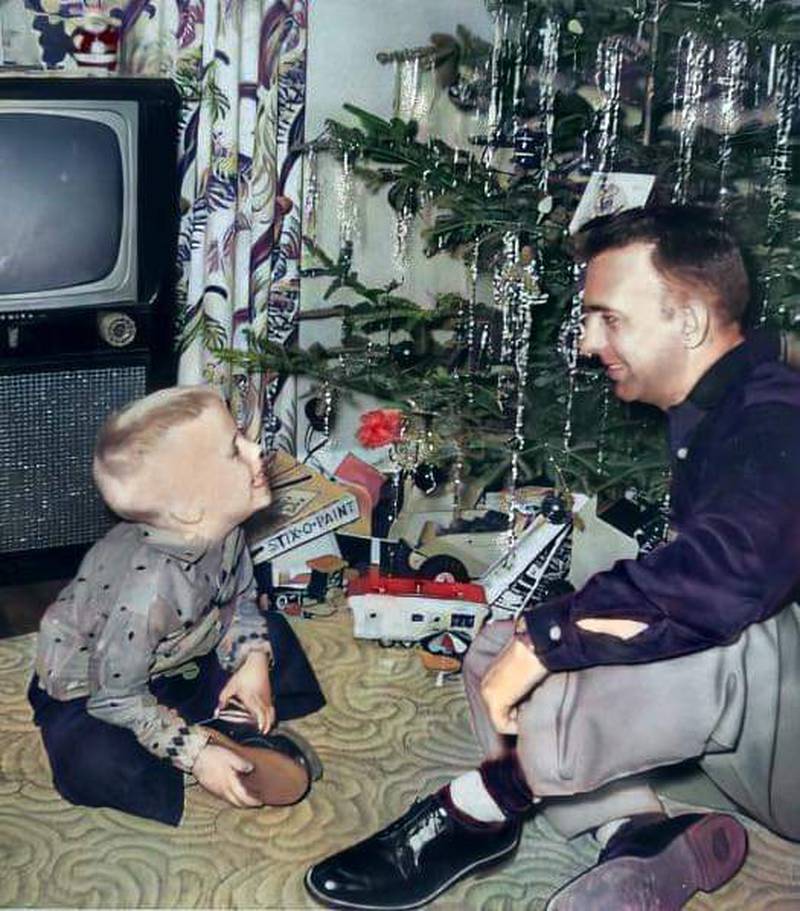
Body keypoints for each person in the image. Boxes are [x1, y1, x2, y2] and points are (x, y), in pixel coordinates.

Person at [304, 205, 800, 910]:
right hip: (752, 746)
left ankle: (482, 805)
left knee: (716, 627)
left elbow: (730, 576)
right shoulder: (716, 407)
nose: (589, 341)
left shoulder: (777, 414)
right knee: (498, 641)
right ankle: (631, 832)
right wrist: (536, 638)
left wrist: (551, 642)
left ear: (689, 322)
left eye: (609, 318)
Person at [29, 385, 325, 826]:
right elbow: (116, 698)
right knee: (91, 762)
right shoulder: (144, 595)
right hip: (97, 689)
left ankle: (218, 726)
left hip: (181, 653)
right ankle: (208, 744)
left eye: (243, 435)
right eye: (234, 450)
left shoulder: (224, 528)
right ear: (190, 509)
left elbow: (239, 599)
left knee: (274, 633)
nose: (256, 447)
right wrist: (196, 753)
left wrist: (252, 661)